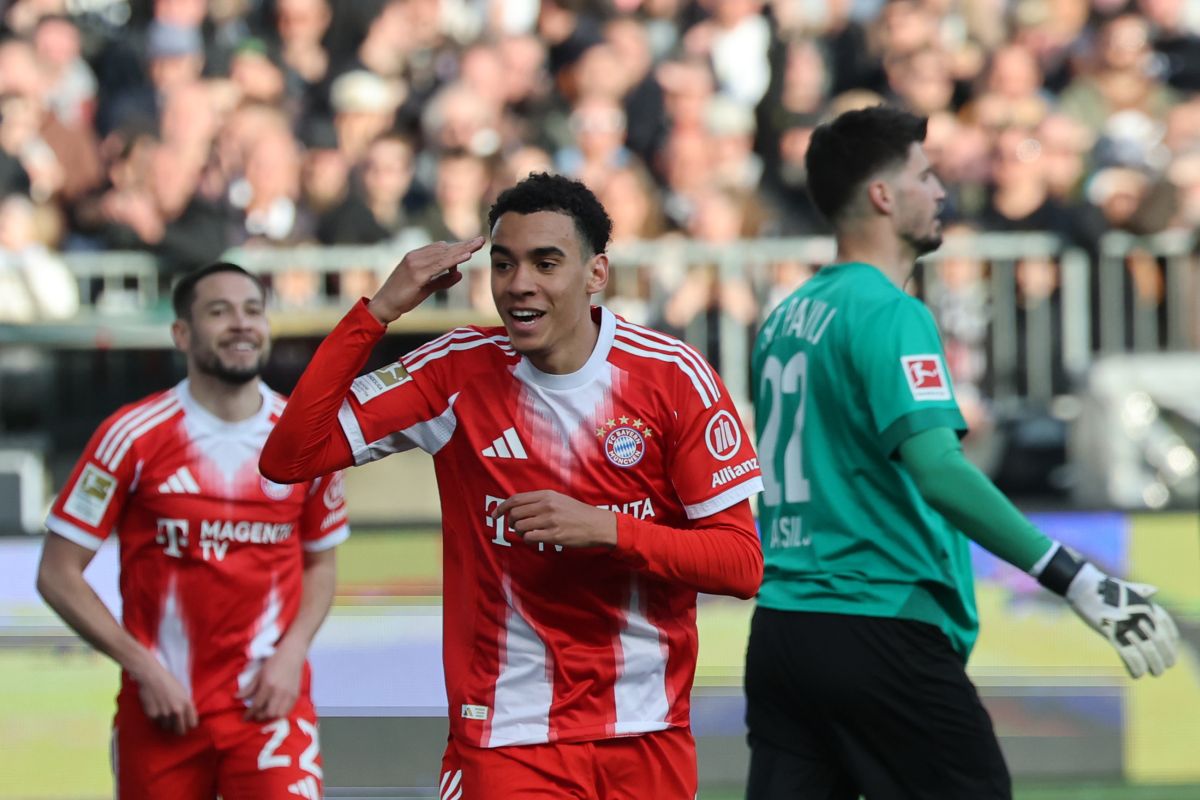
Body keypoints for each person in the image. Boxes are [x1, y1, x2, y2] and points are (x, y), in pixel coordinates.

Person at [259, 172, 764, 798]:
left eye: (545, 263)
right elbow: (289, 455)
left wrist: (607, 529)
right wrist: (378, 311)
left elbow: (741, 565)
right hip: (506, 737)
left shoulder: (672, 378)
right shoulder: (455, 370)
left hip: (645, 730)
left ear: (595, 274)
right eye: (504, 265)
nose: (519, 284)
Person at [744, 106, 1180, 800]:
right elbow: (940, 469)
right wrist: (1074, 576)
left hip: (784, 625)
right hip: (880, 620)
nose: (941, 190)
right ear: (884, 196)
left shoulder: (784, 319)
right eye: (924, 174)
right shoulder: (891, 313)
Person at [37, 263, 349, 800]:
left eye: (253, 310)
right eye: (219, 311)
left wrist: (293, 650)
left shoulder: (307, 441)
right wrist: (142, 667)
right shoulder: (130, 436)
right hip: (164, 708)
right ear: (181, 333)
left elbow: (320, 562)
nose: (241, 325)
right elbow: (57, 574)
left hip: (268, 706)